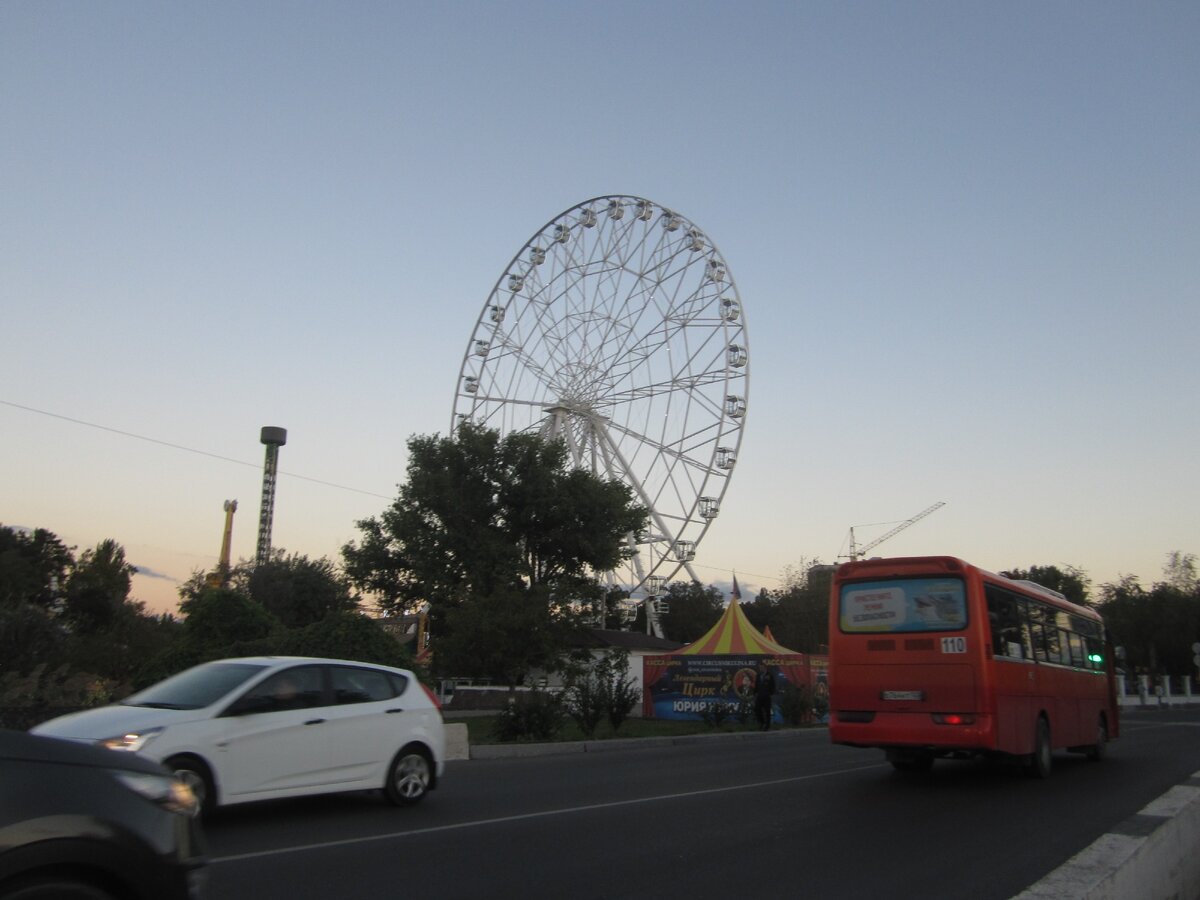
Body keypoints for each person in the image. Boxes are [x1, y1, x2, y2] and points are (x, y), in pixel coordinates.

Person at [754, 661, 776, 731]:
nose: (760, 669)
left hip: (767, 696)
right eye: (760, 668)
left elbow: (773, 685)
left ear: (765, 667)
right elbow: (756, 685)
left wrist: (770, 693)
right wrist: (755, 692)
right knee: (757, 709)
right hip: (759, 696)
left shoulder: (769, 675)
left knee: (767, 711)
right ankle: (762, 722)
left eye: (762, 667)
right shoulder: (758, 675)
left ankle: (767, 726)